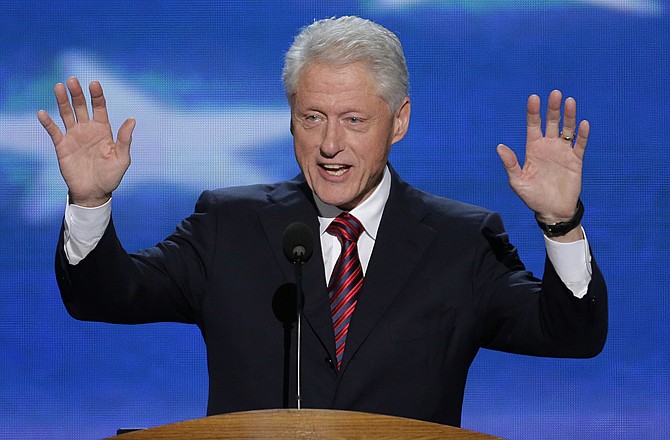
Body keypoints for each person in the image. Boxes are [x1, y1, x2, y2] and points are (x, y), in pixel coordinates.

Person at [38, 16, 606, 428]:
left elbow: (571, 334)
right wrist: (89, 203)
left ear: (399, 121)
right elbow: (105, 297)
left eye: (354, 119)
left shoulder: (461, 241)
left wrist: (561, 224)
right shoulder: (228, 226)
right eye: (313, 118)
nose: (331, 144)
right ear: (291, 120)